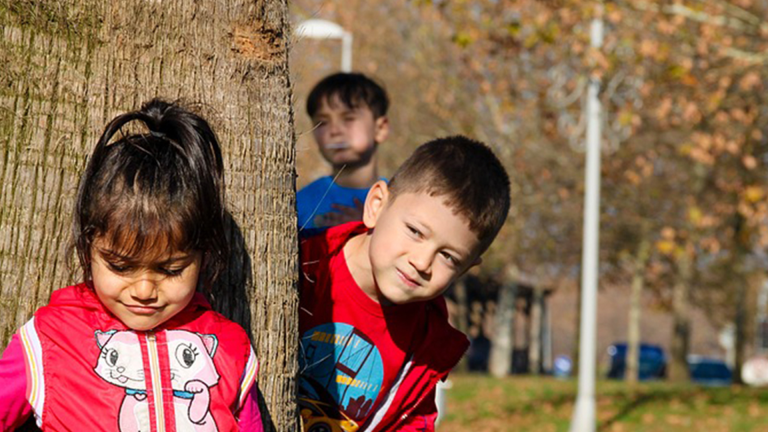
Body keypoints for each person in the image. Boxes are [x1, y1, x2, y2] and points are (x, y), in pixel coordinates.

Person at [0, 99, 262, 431]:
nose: (143, 290)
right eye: (121, 267)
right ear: (88, 247)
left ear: (204, 257)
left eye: (170, 270)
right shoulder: (50, 339)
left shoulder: (228, 347)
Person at [298, 136, 511, 431]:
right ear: (376, 205)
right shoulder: (303, 263)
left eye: (448, 257)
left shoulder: (426, 345)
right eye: (415, 231)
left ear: (465, 270)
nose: (422, 262)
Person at [297, 72, 390, 230]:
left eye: (348, 118)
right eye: (323, 122)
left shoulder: (397, 202)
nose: (334, 131)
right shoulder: (300, 203)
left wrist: (369, 230)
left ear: (380, 128)